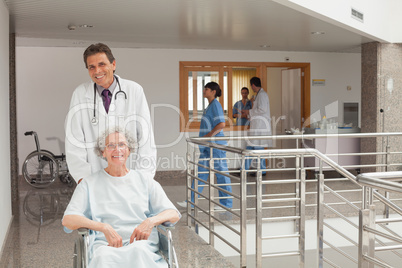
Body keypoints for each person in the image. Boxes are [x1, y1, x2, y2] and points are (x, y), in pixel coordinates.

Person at [62, 130, 180, 268]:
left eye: (122, 144)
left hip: (141, 243)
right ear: (103, 152)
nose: (117, 149)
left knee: (138, 252)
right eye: (110, 145)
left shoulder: (145, 181)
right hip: (105, 244)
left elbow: (173, 214)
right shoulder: (88, 183)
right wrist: (103, 227)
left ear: (129, 150)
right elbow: (68, 219)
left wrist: (150, 221)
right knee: (104, 257)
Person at [65, 43, 156, 184]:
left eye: (102, 64)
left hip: (130, 176)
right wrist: (83, 179)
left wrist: (144, 178)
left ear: (113, 64)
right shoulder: (80, 94)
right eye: (91, 67)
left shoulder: (134, 90)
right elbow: (74, 140)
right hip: (93, 177)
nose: (97, 71)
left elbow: (146, 138)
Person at [178, 82, 233, 209]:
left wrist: (208, 136)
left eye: (206, 89)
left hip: (216, 145)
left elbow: (221, 124)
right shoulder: (209, 106)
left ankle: (226, 204)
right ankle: (191, 202)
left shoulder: (216, 105)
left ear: (213, 91)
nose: (204, 91)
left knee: (221, 174)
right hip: (207, 145)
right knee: (200, 173)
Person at [241, 77, 272, 175]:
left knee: (258, 149)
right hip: (256, 127)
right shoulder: (258, 95)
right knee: (250, 149)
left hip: (260, 128)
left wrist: (249, 111)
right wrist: (249, 114)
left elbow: (262, 109)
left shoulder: (262, 95)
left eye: (251, 86)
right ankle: (244, 170)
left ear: (253, 85)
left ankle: (262, 171)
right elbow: (258, 110)